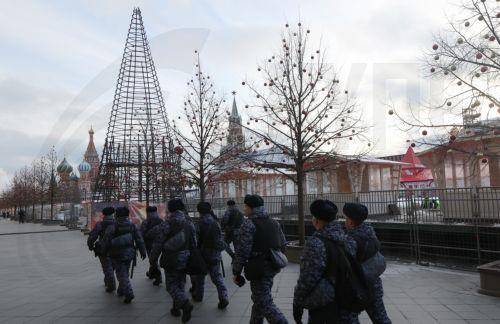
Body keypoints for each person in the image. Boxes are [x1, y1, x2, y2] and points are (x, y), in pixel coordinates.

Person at [293, 199, 359, 324]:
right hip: (348, 303)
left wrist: (297, 303)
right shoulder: (348, 240)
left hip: (325, 307)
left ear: (316, 220)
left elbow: (307, 279)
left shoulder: (315, 243)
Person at [233, 194, 288, 324]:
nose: (244, 209)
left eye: (245, 206)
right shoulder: (274, 222)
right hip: (273, 266)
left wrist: (236, 271)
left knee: (264, 302)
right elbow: (283, 244)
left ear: (251, 207)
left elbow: (242, 251)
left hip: (258, 268)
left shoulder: (249, 224)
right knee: (259, 299)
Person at [344, 203, 391, 324]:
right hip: (374, 285)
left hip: (356, 290)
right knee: (381, 319)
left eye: (346, 218)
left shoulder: (351, 240)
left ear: (351, 222)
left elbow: (346, 266)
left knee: (351, 319)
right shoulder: (370, 233)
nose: (345, 221)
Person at [150, 198, 196, 323]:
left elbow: (158, 243)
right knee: (180, 282)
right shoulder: (189, 221)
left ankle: (185, 304)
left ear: (170, 209)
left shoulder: (167, 222)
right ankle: (176, 308)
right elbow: (193, 242)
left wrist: (153, 260)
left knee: (171, 286)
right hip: (185, 257)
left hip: (171, 258)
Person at [101, 206, 146, 304]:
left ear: (116, 215)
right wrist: (143, 251)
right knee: (124, 271)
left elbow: (106, 241)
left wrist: (103, 252)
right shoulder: (132, 225)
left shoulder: (113, 227)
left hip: (117, 254)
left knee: (121, 274)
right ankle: (121, 290)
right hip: (130, 254)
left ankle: (129, 293)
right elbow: (139, 239)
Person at [191, 202, 229, 309]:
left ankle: (199, 296)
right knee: (217, 277)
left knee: (200, 276)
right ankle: (224, 297)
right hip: (214, 254)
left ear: (199, 211)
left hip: (202, 255)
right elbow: (219, 240)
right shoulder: (215, 222)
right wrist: (223, 247)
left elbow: (195, 240)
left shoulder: (198, 223)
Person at [87, 206, 117, 292]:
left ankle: (111, 285)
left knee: (107, 267)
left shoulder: (100, 224)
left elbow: (92, 236)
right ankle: (108, 280)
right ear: (113, 214)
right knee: (113, 266)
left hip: (104, 249)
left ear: (103, 215)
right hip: (116, 248)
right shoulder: (117, 223)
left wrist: (90, 246)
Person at [140, 205, 164, 286]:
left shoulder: (146, 222)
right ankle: (151, 273)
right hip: (161, 244)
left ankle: (158, 277)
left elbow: (141, 235)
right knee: (153, 260)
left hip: (150, 244)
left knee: (153, 260)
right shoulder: (161, 221)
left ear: (148, 213)